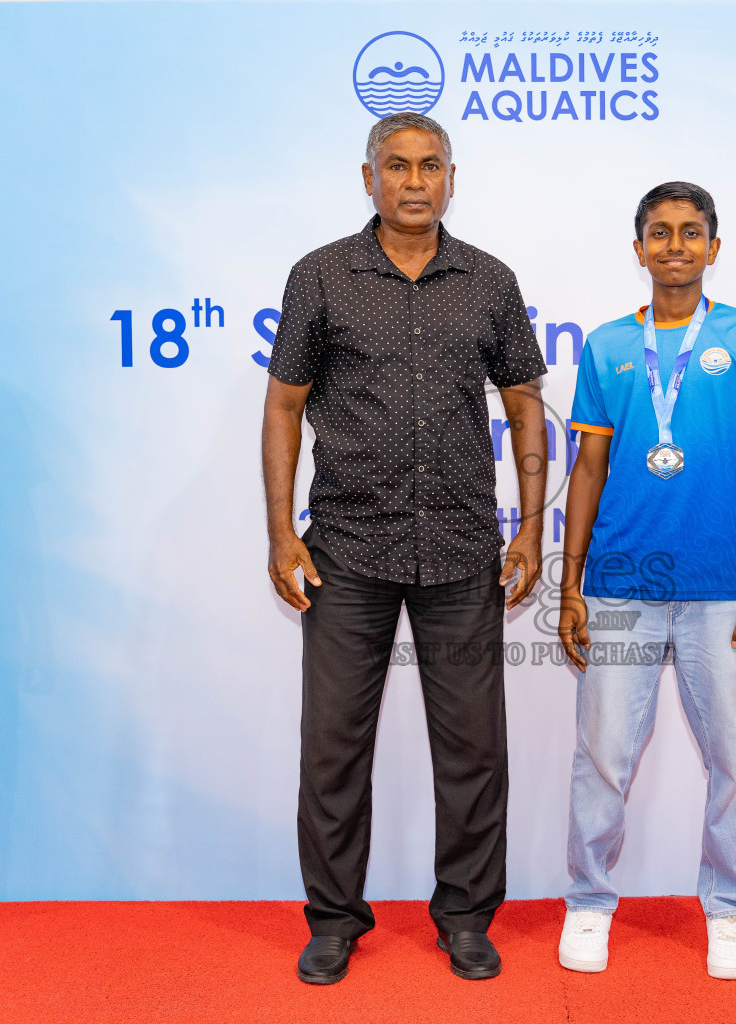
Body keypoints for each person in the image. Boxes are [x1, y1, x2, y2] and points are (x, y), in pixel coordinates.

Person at [261, 113, 548, 985]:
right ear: (368, 177)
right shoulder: (320, 277)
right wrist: (280, 532)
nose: (414, 181)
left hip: (462, 548)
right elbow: (283, 407)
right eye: (397, 166)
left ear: (452, 179)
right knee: (333, 750)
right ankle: (334, 920)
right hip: (346, 549)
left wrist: (532, 527)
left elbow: (526, 403)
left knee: (472, 750)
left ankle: (465, 916)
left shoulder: (489, 281)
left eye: (430, 166)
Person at [555, 182, 736, 980]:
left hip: (725, 586)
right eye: (659, 233)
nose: (675, 247)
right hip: (621, 583)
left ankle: (732, 911)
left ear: (714, 247)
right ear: (639, 249)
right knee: (603, 756)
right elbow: (587, 466)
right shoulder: (607, 346)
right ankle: (589, 903)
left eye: (691, 233)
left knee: (735, 758)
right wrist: (571, 588)